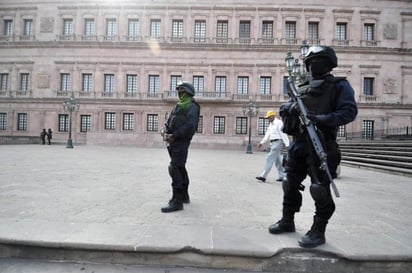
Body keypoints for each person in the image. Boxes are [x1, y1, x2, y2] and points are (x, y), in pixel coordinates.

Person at [268, 45, 358, 248]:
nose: (315, 66)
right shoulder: (302, 87)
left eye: (320, 62)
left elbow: (349, 112)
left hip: (322, 144)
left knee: (319, 188)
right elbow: (285, 107)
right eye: (312, 62)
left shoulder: (339, 86)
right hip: (298, 144)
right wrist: (288, 108)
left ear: (329, 64)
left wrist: (321, 119)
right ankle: (287, 220)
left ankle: (319, 230)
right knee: (289, 184)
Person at [160, 81, 200, 213]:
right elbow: (170, 120)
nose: (180, 93)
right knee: (180, 167)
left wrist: (175, 135)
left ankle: (177, 201)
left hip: (181, 141)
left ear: (188, 92)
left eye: (182, 91)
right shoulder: (178, 105)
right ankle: (184, 195)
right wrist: (164, 130)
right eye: (179, 90)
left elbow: (190, 126)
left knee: (175, 168)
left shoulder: (192, 106)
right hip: (172, 141)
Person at [256, 110, 289, 183]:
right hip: (273, 143)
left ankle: (263, 176)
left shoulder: (279, 123)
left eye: (269, 117)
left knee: (269, 158)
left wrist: (287, 144)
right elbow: (267, 134)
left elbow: (283, 133)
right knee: (278, 161)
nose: (268, 119)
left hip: (278, 142)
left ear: (273, 116)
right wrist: (262, 142)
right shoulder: (271, 124)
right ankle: (282, 176)